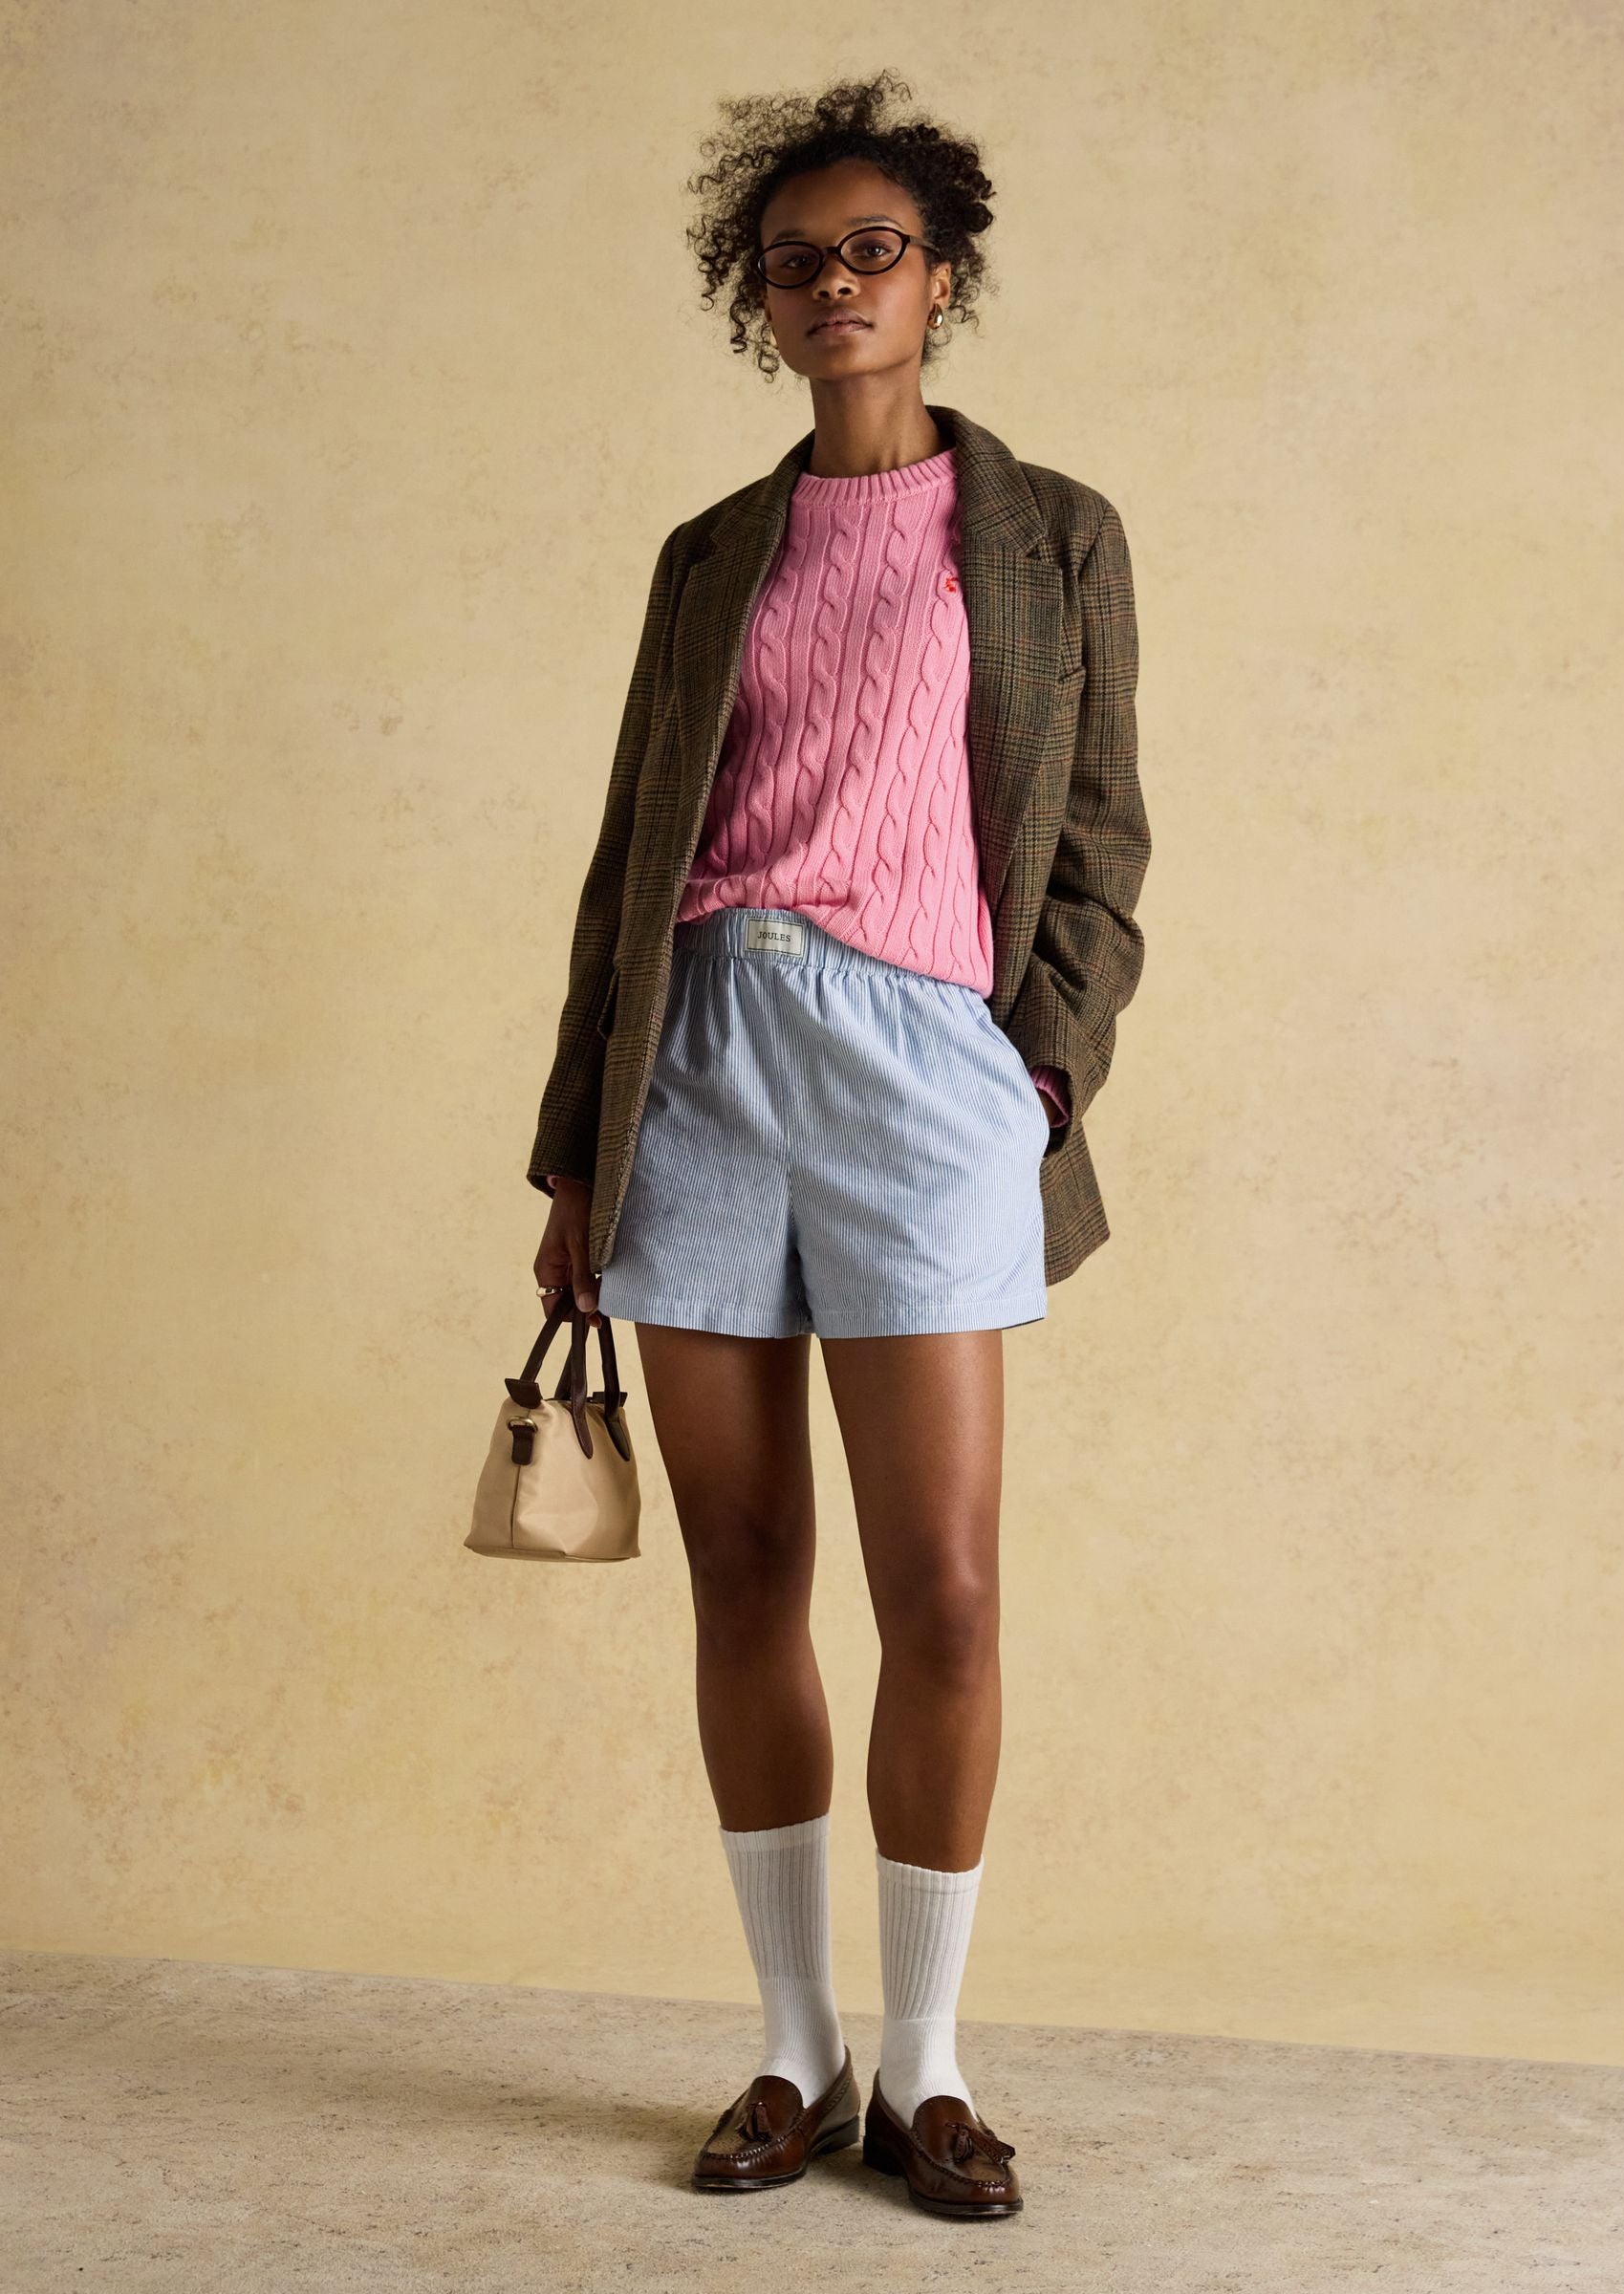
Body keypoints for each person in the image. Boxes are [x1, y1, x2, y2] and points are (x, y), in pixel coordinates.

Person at [527, 69, 1149, 2221]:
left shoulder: (1054, 534)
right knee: (744, 1567)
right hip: (700, 1055)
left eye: (874, 249)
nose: (835, 285)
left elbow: (1100, 847)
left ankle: (930, 2068)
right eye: (795, 261)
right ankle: (795, 2053)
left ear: (940, 277)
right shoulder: (713, 554)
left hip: (923, 1070)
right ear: (762, 300)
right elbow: (630, 855)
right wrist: (573, 1153)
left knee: (946, 1591)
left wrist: (1029, 1077)